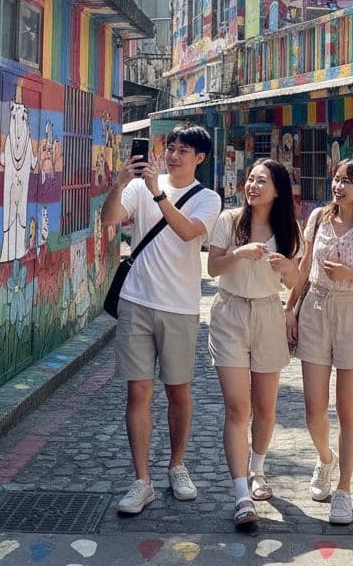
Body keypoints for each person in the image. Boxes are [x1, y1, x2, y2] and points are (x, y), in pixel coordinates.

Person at [100, 124, 222, 516]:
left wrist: (157, 192)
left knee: (178, 391)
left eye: (183, 150)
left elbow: (188, 233)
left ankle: (177, 465)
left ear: (199, 158)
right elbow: (109, 221)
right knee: (138, 392)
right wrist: (120, 183)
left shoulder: (208, 198)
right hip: (136, 301)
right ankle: (142, 480)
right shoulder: (139, 187)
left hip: (180, 306)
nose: (173, 155)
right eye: (171, 147)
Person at [285, 157, 353, 526]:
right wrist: (290, 309)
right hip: (314, 308)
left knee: (348, 410)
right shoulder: (317, 218)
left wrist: (352, 275)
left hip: (352, 313)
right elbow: (302, 268)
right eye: (336, 178)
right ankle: (326, 460)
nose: (338, 186)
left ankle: (344, 490)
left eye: (347, 181)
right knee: (314, 409)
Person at [207, 159, 301, 529]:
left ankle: (258, 468)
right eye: (250, 180)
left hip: (267, 314)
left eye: (262, 181)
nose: (253, 186)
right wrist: (238, 254)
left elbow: (296, 280)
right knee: (237, 408)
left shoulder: (288, 228)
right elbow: (214, 267)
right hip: (229, 313)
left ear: (277, 189)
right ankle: (241, 495)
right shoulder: (230, 220)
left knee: (264, 407)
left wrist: (286, 267)